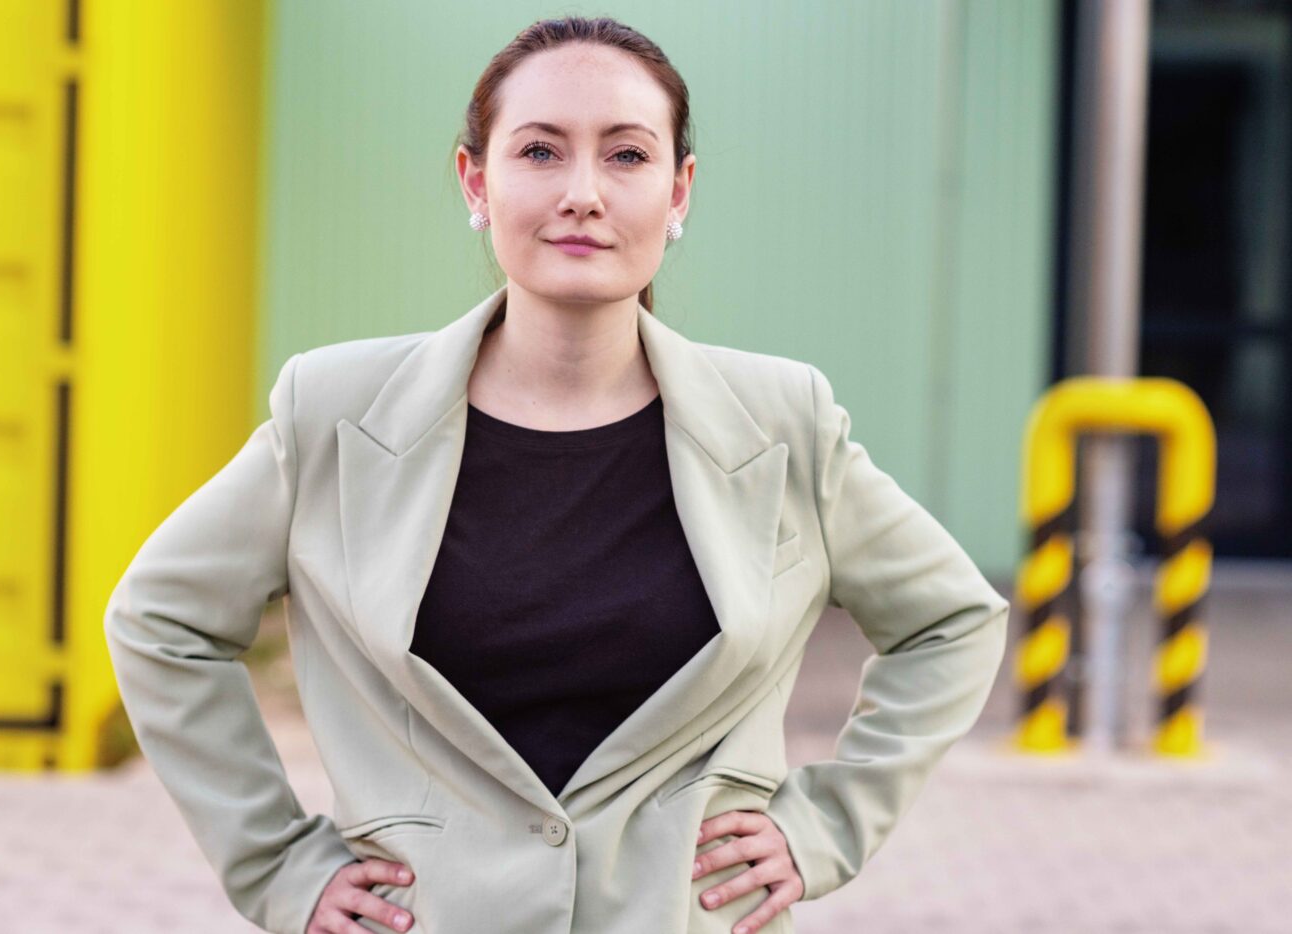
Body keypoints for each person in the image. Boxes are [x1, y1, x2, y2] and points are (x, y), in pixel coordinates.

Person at [104, 15, 1010, 934]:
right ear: (475, 180)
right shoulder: (334, 413)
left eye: (626, 156)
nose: (583, 193)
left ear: (680, 190)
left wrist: (825, 828)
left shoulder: (784, 423)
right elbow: (160, 622)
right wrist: (280, 865)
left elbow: (952, 621)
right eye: (539, 151)